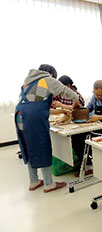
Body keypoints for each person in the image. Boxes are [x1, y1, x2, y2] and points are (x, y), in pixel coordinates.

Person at [15, 64, 80, 193]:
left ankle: (34, 181)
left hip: (20, 116)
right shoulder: (46, 80)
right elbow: (66, 91)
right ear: (51, 74)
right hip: (34, 117)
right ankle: (49, 183)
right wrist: (76, 102)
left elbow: (39, 107)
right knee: (42, 145)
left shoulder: (28, 83)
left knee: (28, 147)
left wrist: (60, 110)